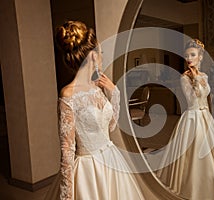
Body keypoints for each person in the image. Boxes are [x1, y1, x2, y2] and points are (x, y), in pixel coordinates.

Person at [45, 21, 144, 200]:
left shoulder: (96, 87)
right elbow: (67, 149)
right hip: (88, 169)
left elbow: (110, 127)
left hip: (111, 159)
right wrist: (67, 195)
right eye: (101, 53)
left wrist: (114, 93)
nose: (102, 57)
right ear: (92, 56)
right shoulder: (68, 94)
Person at [156, 39, 214, 200]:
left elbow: (206, 95)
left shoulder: (205, 76)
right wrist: (194, 79)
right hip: (192, 118)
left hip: (205, 117)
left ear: (200, 57)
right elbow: (193, 98)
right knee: (190, 156)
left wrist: (198, 78)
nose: (189, 58)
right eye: (187, 55)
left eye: (193, 55)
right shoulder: (184, 78)